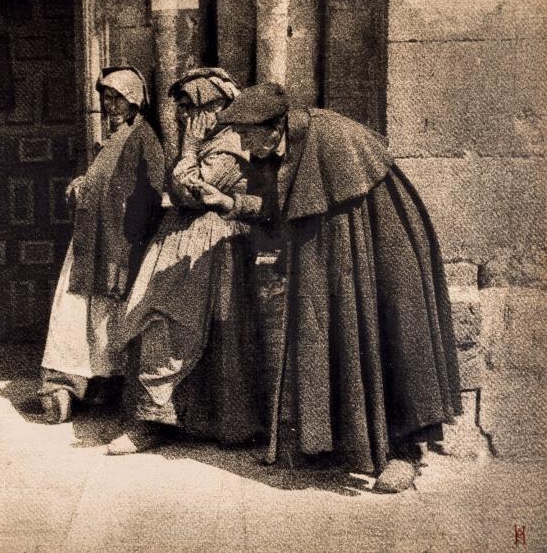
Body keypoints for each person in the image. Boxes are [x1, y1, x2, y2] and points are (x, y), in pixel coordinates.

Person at [197, 83, 462, 493]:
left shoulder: (332, 136)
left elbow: (346, 204)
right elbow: (281, 206)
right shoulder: (277, 149)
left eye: (248, 135)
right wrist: (230, 204)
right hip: (329, 255)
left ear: (275, 126)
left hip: (378, 252)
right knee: (330, 338)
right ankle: (340, 446)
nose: (245, 146)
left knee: (383, 340)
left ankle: (402, 452)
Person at [107, 68, 278, 455]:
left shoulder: (230, 144)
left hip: (214, 245)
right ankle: (157, 419)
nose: (182, 116)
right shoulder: (210, 140)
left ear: (214, 108)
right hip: (187, 240)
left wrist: (188, 148)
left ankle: (187, 423)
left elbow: (189, 192)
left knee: (173, 321)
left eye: (189, 107)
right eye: (180, 108)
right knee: (157, 317)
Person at [38, 66, 165, 423]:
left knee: (107, 313)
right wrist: (84, 186)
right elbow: (105, 181)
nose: (111, 105)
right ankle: (69, 382)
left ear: (135, 101)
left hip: (119, 243)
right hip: (91, 240)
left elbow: (154, 191)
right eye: (107, 98)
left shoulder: (144, 138)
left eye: (119, 98)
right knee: (76, 310)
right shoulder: (114, 139)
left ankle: (101, 384)